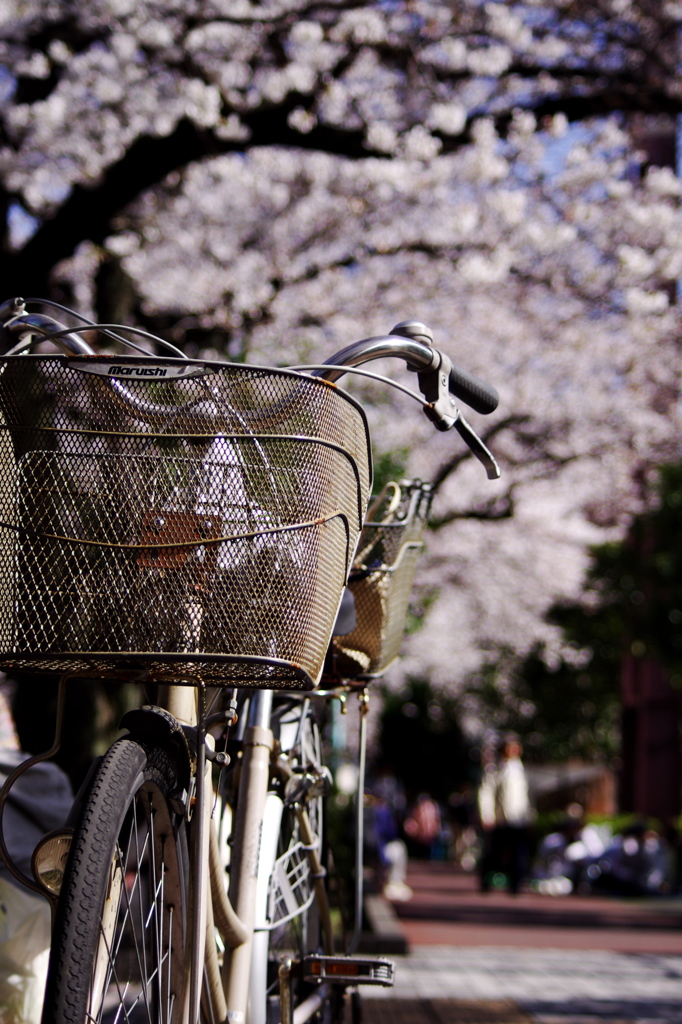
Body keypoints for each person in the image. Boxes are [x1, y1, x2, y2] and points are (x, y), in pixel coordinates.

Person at [477, 732, 531, 893]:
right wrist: (487, 815)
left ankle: (516, 885)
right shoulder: (495, 769)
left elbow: (526, 795)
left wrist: (528, 816)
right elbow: (486, 792)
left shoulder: (520, 769)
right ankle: (486, 882)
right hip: (500, 818)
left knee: (518, 853)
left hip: (518, 818)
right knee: (494, 852)